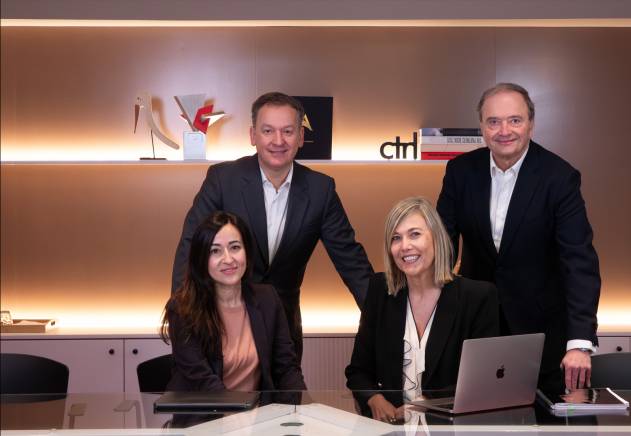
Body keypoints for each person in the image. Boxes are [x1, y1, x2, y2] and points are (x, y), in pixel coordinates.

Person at [171, 92, 373, 362]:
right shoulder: (223, 179)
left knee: (286, 390)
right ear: (253, 135)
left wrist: (384, 318)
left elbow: (352, 261)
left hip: (283, 327)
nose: (278, 141)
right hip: (219, 320)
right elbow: (191, 247)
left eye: (288, 131)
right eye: (268, 131)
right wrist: (182, 318)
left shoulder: (321, 190)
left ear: (301, 136)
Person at [436, 83, 601, 392]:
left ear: (531, 124)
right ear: (482, 127)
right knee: (477, 416)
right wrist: (428, 313)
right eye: (493, 121)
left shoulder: (559, 177)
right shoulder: (460, 171)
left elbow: (579, 262)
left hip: (542, 336)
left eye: (515, 120)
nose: (504, 131)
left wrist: (580, 341)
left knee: (542, 417)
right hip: (476, 328)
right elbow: (441, 246)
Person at [345, 197, 499, 423]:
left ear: (437, 238)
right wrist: (374, 398)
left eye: (415, 234)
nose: (404, 246)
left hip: (451, 428)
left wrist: (426, 405)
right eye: (396, 238)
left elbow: (484, 380)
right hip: (393, 428)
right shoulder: (380, 290)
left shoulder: (477, 297)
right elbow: (358, 371)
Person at [161, 211, 305, 392]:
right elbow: (204, 383)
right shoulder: (182, 309)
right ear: (201, 259)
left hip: (257, 409)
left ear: (247, 252)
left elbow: (287, 369)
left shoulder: (268, 298)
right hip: (203, 409)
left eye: (235, 247)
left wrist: (303, 407)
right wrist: (242, 410)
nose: (228, 259)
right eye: (215, 251)